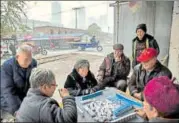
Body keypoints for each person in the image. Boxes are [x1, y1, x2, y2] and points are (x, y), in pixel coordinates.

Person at [1, 44, 37, 122]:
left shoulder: (33, 62)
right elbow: (8, 92)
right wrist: (18, 111)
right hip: (8, 102)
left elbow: (34, 84)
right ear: (17, 57)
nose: (29, 63)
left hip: (24, 99)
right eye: (26, 60)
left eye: (30, 59)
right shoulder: (7, 66)